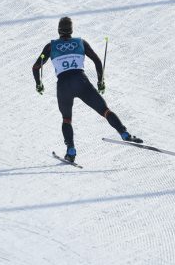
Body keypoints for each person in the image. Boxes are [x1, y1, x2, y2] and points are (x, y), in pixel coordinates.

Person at [32, 16, 142, 163]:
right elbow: (97, 61)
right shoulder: (80, 43)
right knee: (105, 110)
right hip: (81, 82)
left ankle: (71, 150)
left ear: (58, 30)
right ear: (71, 30)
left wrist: (39, 83)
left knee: (66, 119)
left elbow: (36, 67)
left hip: (63, 86)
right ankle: (124, 133)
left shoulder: (50, 47)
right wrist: (100, 81)